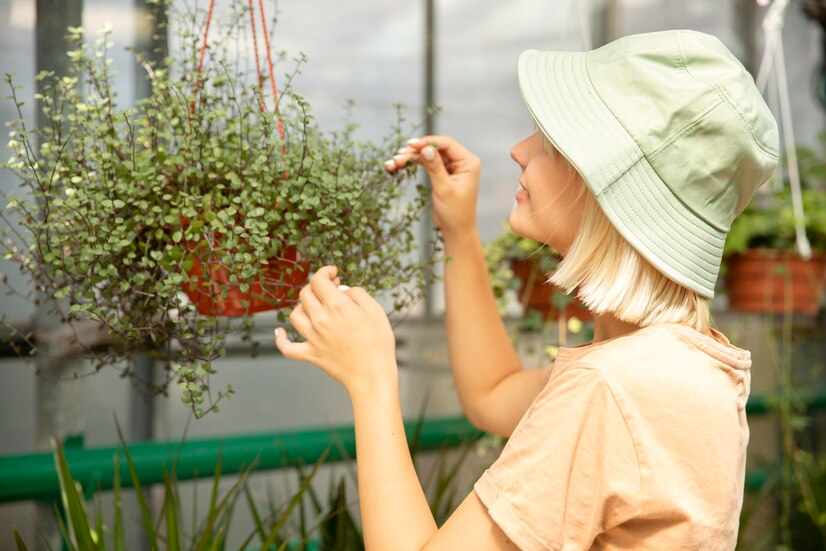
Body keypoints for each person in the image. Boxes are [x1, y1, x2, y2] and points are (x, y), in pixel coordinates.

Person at [274, 29, 778, 550]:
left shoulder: (612, 389)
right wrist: (460, 233)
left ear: (606, 191)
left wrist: (371, 377)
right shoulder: (676, 369)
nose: (518, 150)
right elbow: (492, 394)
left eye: (553, 143)